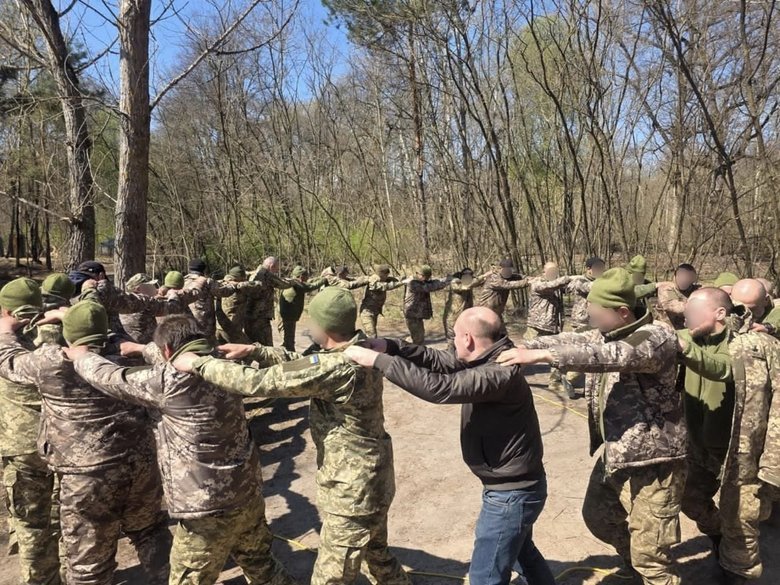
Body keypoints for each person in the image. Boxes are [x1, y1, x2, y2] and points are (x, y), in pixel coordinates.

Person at [173, 287, 410, 585]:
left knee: (330, 579)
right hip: (371, 479)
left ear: (325, 326)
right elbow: (305, 363)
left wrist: (200, 363)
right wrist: (255, 351)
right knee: (377, 555)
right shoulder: (357, 349)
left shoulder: (338, 367)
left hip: (354, 491)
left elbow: (257, 383)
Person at [66, 314, 301, 585]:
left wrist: (82, 356)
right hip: (246, 492)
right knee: (261, 563)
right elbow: (180, 357)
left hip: (204, 509)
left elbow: (111, 377)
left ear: (167, 350)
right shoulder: (226, 367)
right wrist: (142, 349)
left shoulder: (167, 382)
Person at [497, 268, 688, 585]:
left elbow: (613, 355)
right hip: (619, 453)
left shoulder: (656, 338)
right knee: (599, 516)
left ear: (622, 312)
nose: (591, 317)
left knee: (652, 557)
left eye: (597, 311)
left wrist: (542, 356)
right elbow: (573, 339)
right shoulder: (607, 332)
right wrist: (520, 346)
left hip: (655, 463)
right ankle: (635, 565)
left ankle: (651, 571)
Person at [344, 307, 554, 585]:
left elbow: (440, 387)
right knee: (523, 554)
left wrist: (378, 361)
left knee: (484, 577)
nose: (453, 342)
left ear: (468, 339)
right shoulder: (487, 354)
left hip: (512, 494)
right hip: (514, 488)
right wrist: (392, 347)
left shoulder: (499, 372)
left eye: (455, 336)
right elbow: (440, 360)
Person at [0, 301, 171, 585]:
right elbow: (166, 357)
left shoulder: (54, 364)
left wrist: (6, 330)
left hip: (87, 477)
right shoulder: (127, 357)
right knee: (150, 530)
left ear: (68, 334)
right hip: (139, 465)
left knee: (88, 564)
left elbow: (8, 360)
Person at [677, 288, 780, 584]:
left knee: (741, 521)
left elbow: (723, 369)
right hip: (699, 449)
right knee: (690, 499)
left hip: (741, 454)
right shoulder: (691, 338)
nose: (686, 318)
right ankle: (720, 538)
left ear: (720, 313)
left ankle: (738, 574)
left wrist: (773, 463)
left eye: (692, 313)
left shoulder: (756, 346)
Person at [0, 278, 61, 584]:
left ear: (5, 309)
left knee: (31, 523)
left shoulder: (5, 342)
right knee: (63, 515)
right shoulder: (59, 332)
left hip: (22, 446)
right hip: (63, 441)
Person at [524, 262, 573, 394]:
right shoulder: (537, 283)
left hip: (553, 327)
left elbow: (569, 288)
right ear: (543, 272)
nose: (553, 272)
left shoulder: (557, 285)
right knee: (524, 352)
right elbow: (549, 286)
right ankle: (510, 377)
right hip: (536, 326)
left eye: (555, 270)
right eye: (550, 270)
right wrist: (567, 278)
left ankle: (555, 382)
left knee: (557, 354)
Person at [245, 257, 297, 346]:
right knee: (267, 347)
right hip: (261, 317)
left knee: (251, 344)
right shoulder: (266, 274)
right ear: (271, 266)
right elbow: (283, 284)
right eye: (276, 268)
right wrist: (295, 281)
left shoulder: (253, 274)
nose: (276, 271)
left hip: (248, 316)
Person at [278, 265, 325, 351]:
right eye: (306, 276)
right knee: (289, 341)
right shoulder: (296, 284)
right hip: (288, 317)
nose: (307, 278)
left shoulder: (292, 282)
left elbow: (309, 282)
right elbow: (310, 286)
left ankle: (287, 352)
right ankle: (288, 356)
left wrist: (320, 278)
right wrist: (324, 280)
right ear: (301, 276)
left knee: (287, 339)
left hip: (286, 316)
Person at [403, 265, 451, 344]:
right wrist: (448, 281)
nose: (425, 278)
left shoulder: (421, 281)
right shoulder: (412, 283)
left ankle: (408, 346)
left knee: (418, 336)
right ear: (417, 273)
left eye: (427, 277)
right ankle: (409, 349)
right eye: (423, 276)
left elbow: (434, 282)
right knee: (418, 339)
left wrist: (447, 279)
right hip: (412, 314)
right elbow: (430, 287)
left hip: (417, 314)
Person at [359, 265, 407, 338]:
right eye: (386, 275)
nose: (387, 277)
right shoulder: (373, 281)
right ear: (382, 274)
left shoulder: (382, 279)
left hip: (374, 311)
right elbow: (386, 286)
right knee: (371, 335)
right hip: (367, 313)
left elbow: (394, 279)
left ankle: (367, 344)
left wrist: (404, 278)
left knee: (371, 335)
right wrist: (402, 282)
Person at [475, 259, 528, 326]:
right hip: (485, 313)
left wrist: (535, 279)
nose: (508, 272)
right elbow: (509, 284)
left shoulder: (509, 276)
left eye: (510, 270)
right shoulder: (494, 278)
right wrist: (527, 282)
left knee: (501, 331)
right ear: (500, 269)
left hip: (496, 313)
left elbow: (522, 277)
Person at [443, 268, 486, 348]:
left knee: (465, 336)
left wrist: (487, 276)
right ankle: (450, 353)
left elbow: (477, 282)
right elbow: (467, 286)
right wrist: (483, 276)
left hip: (464, 314)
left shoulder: (469, 282)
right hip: (453, 316)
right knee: (452, 337)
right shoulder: (455, 282)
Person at [215, 266, 253, 344]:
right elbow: (256, 284)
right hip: (231, 327)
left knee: (221, 350)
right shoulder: (239, 288)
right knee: (247, 348)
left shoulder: (222, 285)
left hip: (219, 326)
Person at [656, 263, 699, 330]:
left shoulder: (696, 289)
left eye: (688, 277)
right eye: (681, 276)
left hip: (687, 328)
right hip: (667, 328)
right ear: (675, 276)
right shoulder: (666, 288)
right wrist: (700, 307)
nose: (684, 280)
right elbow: (671, 305)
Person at [567, 257, 606, 331]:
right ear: (588, 269)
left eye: (602, 269)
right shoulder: (579, 281)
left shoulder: (600, 281)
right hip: (581, 321)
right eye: (597, 268)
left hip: (595, 320)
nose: (600, 271)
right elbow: (590, 287)